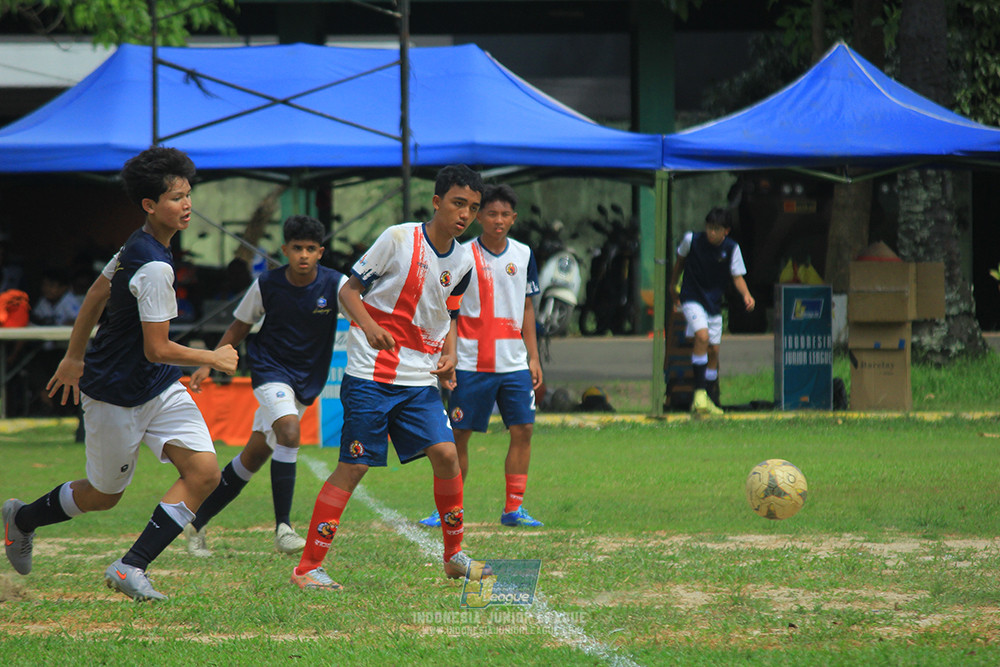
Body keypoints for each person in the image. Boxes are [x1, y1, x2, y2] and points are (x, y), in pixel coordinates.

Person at [2, 146, 239, 601]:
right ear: (149, 205)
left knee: (205, 473)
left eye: (188, 194)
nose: (186, 205)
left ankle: (131, 566)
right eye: (175, 198)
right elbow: (156, 347)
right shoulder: (150, 264)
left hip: (158, 385)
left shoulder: (139, 244)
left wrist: (74, 356)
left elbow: (96, 291)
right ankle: (23, 518)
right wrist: (212, 358)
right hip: (115, 393)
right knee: (104, 495)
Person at [290, 164, 490, 591]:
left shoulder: (465, 260)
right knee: (354, 467)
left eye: (472, 207)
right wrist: (368, 325)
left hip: (419, 378)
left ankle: (453, 557)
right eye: (458, 203)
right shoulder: (398, 239)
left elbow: (449, 311)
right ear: (437, 202)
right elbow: (348, 292)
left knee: (448, 455)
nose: (464, 214)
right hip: (371, 376)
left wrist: (451, 351)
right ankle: (308, 567)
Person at [183, 215, 347, 557]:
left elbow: (363, 314)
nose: (303, 255)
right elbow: (239, 327)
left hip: (306, 378)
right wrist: (209, 361)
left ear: (321, 252)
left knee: (252, 458)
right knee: (288, 432)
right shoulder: (267, 284)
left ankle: (194, 524)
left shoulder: (335, 284)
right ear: (285, 250)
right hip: (270, 370)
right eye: (297, 248)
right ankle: (283, 528)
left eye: (310, 249)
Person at [417, 183, 544, 529]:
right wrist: (451, 354)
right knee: (458, 434)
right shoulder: (462, 255)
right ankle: (447, 509)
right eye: (490, 213)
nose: (498, 220)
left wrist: (534, 357)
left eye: (505, 214)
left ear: (514, 219)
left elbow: (528, 308)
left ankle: (513, 509)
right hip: (472, 362)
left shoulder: (524, 254)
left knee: (523, 430)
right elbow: (450, 311)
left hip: (514, 362)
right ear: (478, 216)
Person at [668, 206, 754, 416]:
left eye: (716, 228)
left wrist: (746, 294)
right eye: (708, 227)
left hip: (713, 303)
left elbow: (737, 276)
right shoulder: (692, 240)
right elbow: (680, 261)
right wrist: (673, 285)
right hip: (691, 298)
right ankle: (698, 393)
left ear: (726, 231)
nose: (711, 232)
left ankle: (708, 398)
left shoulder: (732, 249)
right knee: (702, 336)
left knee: (714, 351)